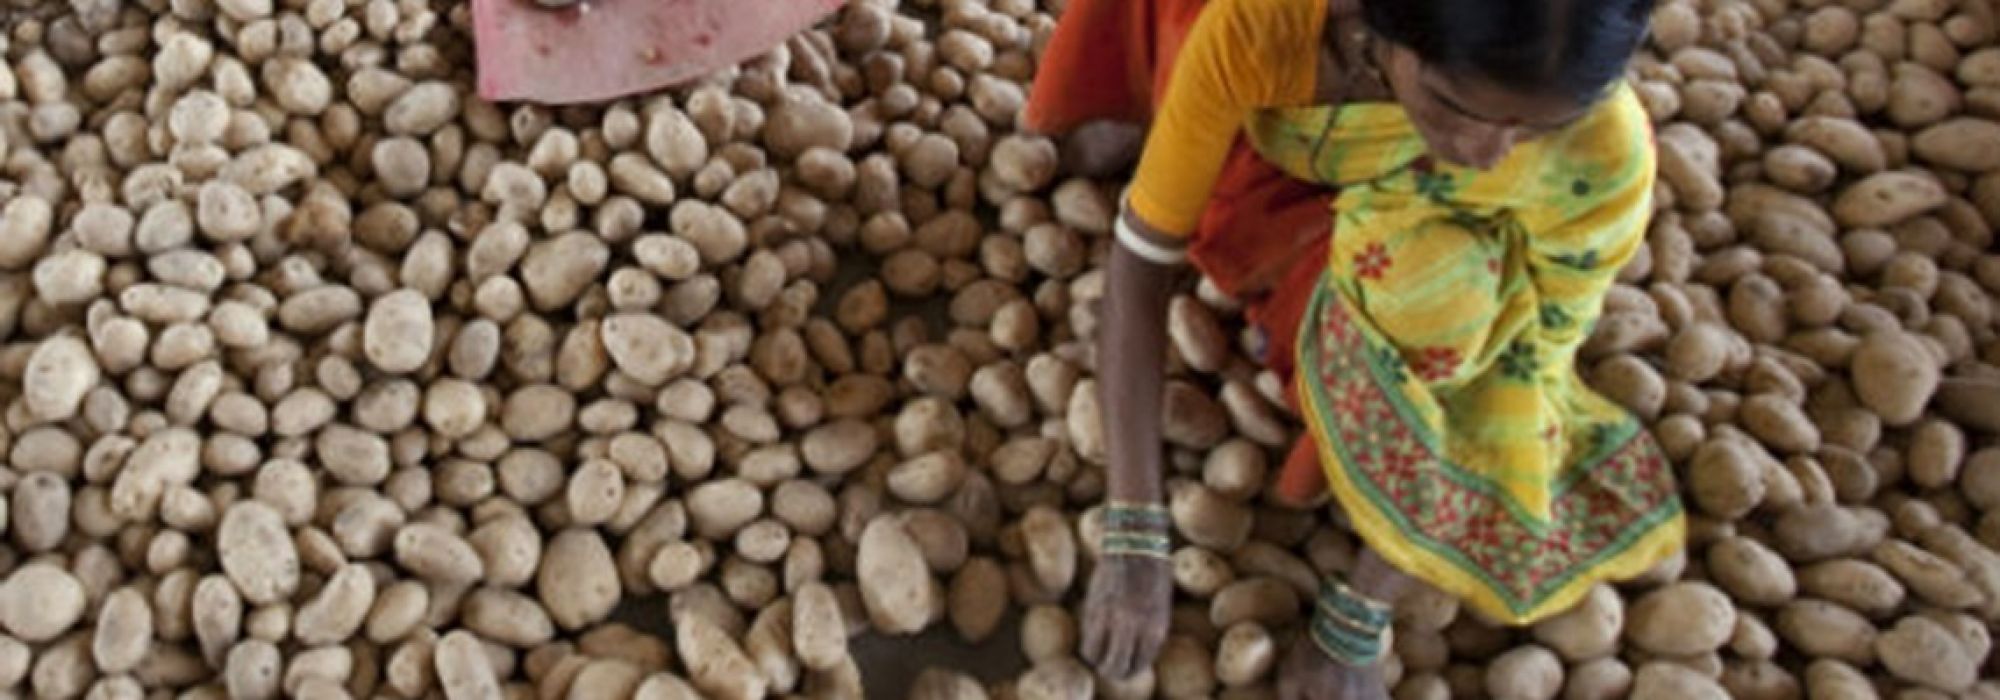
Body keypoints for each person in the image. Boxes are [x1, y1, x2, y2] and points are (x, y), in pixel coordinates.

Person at [1024, 0, 1687, 696]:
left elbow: (1520, 383)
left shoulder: (1601, 153)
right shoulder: (1271, 23)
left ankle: (1228, 195)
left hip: (1397, 216)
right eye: (1453, 104)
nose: (1486, 152)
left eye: (1538, 126)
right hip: (1279, 135)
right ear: (1378, 25)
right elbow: (1141, 264)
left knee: (1442, 300)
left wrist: (1360, 613)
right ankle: (1145, 94)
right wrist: (1134, 531)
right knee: (1174, 59)